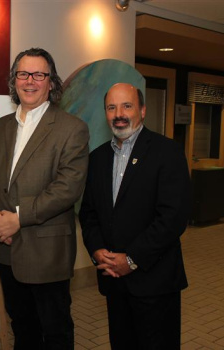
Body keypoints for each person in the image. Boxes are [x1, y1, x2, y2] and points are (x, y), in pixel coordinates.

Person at [0, 47, 89, 349]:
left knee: (55, 332)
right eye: (23, 74)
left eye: (39, 74)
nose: (30, 81)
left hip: (46, 252)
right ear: (14, 81)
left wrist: (18, 219)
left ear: (51, 82)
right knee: (22, 328)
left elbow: (68, 188)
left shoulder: (71, 128)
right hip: (6, 249)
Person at [80, 83, 191, 349]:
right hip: (114, 281)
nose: (119, 113)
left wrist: (131, 259)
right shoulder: (97, 158)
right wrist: (97, 250)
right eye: (111, 107)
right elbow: (89, 212)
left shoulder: (168, 152)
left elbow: (173, 217)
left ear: (142, 110)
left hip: (155, 281)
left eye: (126, 106)